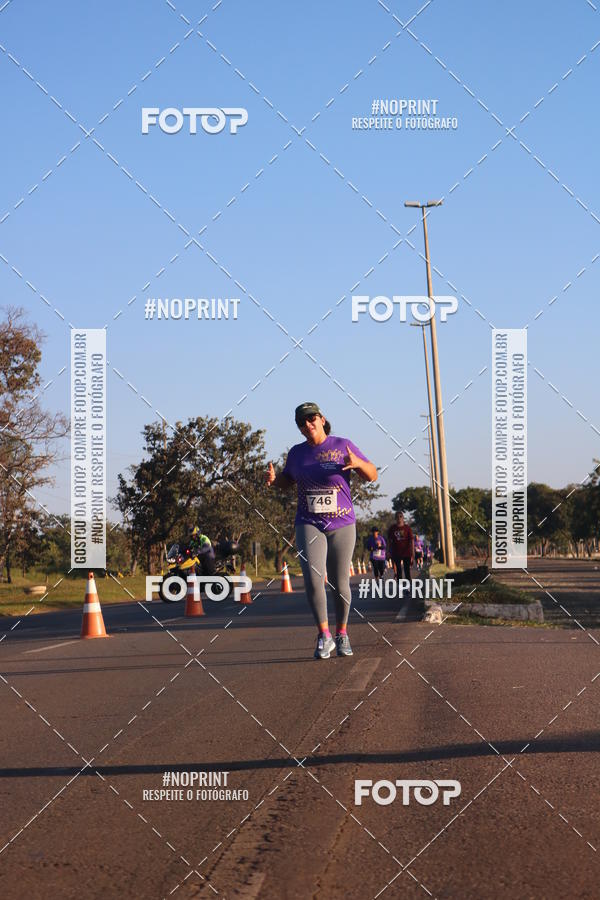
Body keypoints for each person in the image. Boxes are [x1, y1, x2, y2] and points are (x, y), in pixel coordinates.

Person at [266, 402, 377, 659]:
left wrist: (358, 462)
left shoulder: (342, 445)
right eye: (302, 422)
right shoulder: (297, 453)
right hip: (309, 523)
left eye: (311, 418)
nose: (308, 424)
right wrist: (274, 482)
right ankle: (324, 635)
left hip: (342, 524)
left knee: (340, 584)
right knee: (313, 580)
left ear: (322, 418)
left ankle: (342, 633)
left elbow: (372, 475)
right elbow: (287, 480)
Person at [387, 511, 414, 582]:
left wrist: (413, 552)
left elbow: (412, 540)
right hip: (396, 553)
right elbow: (389, 541)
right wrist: (388, 552)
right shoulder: (392, 528)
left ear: (403, 518)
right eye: (397, 517)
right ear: (395, 518)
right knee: (399, 571)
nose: (399, 518)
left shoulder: (407, 528)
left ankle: (408, 588)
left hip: (406, 552)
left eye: (400, 516)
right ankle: (401, 588)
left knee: (407, 570)